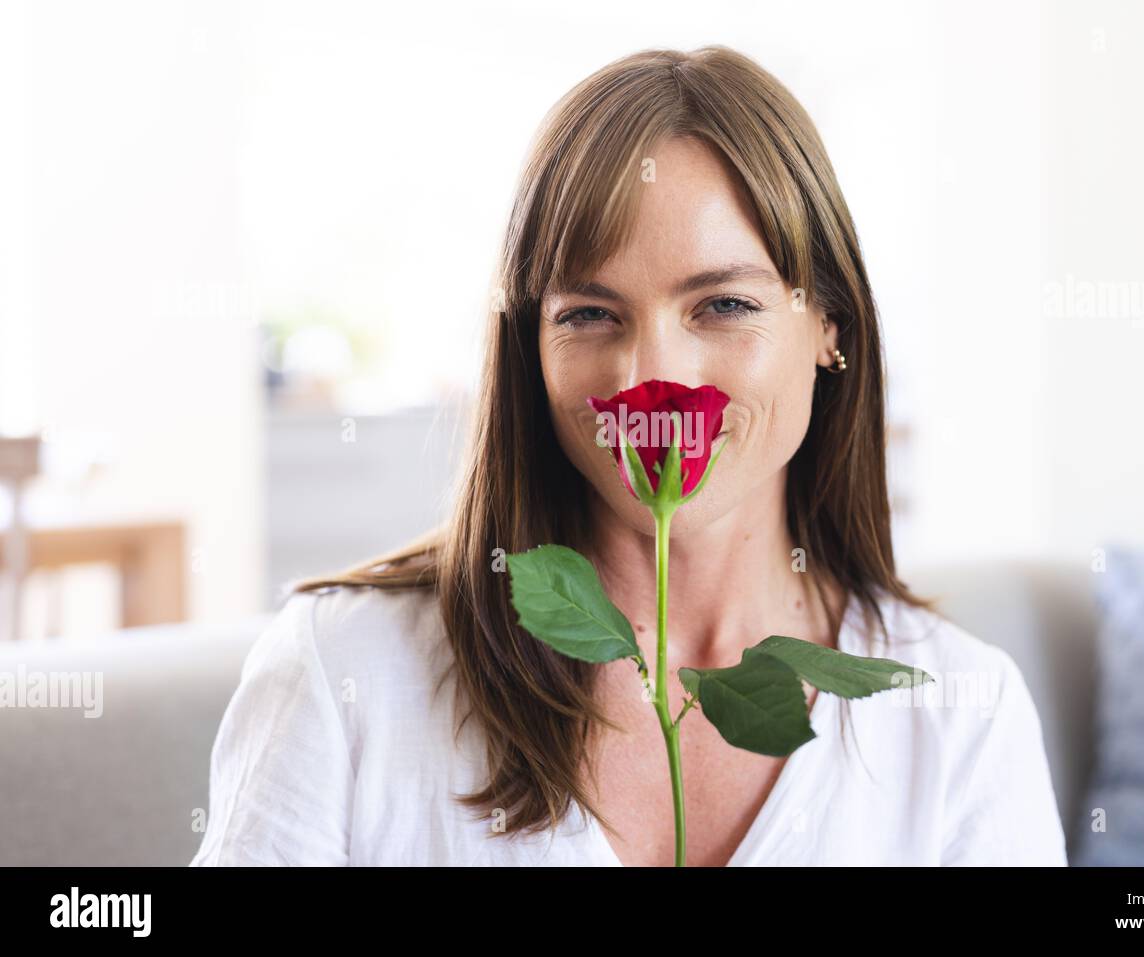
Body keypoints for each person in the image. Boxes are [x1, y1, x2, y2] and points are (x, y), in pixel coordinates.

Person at [191, 45, 1067, 867]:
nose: (651, 377)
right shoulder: (344, 670)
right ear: (530, 348)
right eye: (589, 314)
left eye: (723, 305)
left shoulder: (961, 715)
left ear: (828, 325)